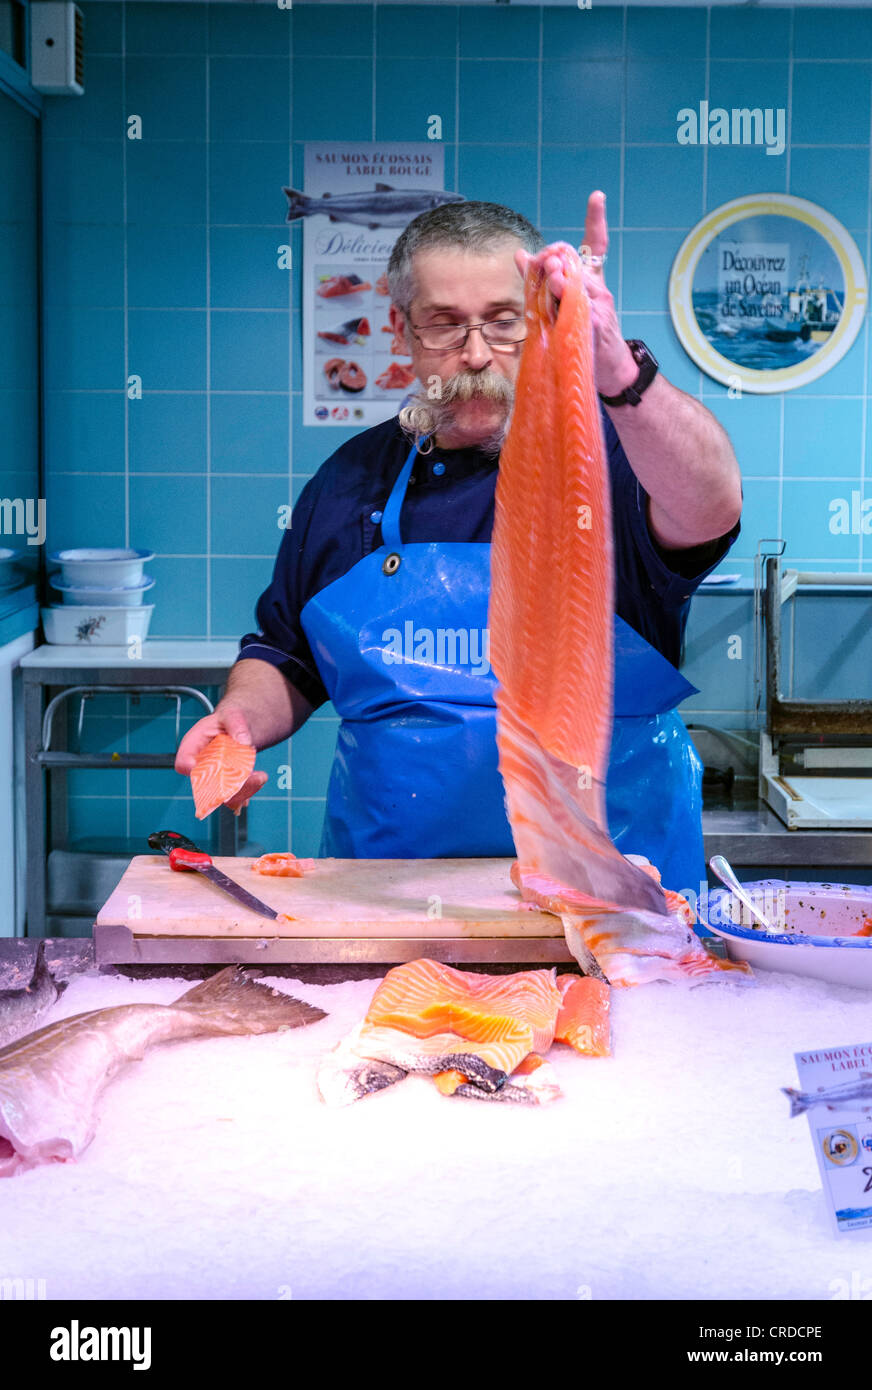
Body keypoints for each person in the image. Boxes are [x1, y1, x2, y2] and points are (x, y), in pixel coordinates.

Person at [176, 193, 742, 893]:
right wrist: (239, 722)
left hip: (614, 896)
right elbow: (287, 657)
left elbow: (711, 505)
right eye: (444, 326)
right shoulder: (348, 483)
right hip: (392, 900)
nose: (476, 354)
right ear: (400, 331)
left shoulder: (617, 460)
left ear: (542, 324)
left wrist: (622, 378)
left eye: (505, 323)